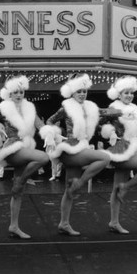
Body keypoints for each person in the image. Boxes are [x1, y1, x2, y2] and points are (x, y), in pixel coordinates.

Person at [45, 73, 112, 236]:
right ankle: (80, 182)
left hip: (81, 147)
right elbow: (49, 121)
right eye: (78, 91)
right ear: (72, 92)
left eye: (84, 91)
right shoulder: (65, 107)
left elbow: (103, 115)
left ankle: (64, 223)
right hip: (69, 148)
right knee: (104, 157)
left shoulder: (89, 108)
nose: (82, 94)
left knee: (70, 191)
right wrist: (53, 134)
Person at [0, 75, 51, 240]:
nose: (19, 95)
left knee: (17, 192)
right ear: (10, 94)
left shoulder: (29, 108)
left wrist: (49, 132)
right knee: (43, 158)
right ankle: (22, 179)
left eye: (21, 92)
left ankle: (14, 226)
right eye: (16, 92)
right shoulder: (4, 108)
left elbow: (40, 125)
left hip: (26, 146)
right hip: (13, 148)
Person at [99, 76, 137, 234]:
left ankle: (114, 222)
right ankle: (126, 187)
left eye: (131, 92)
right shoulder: (114, 108)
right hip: (122, 149)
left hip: (134, 148)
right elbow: (100, 119)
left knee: (117, 189)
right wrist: (111, 131)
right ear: (119, 94)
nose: (129, 95)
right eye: (125, 93)